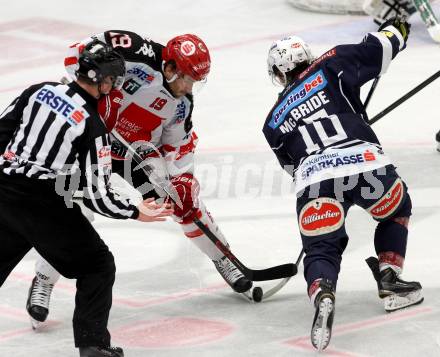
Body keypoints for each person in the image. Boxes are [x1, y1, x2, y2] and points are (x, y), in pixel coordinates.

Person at [25, 30, 253, 328]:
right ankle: (44, 279)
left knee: (180, 202)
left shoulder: (182, 105)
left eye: (195, 81)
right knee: (74, 211)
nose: (188, 87)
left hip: (138, 153)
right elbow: (76, 54)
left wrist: (183, 179)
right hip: (92, 141)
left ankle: (223, 257)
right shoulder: (135, 51)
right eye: (185, 77)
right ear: (169, 66)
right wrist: (101, 80)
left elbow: (176, 146)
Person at [0, 40, 173, 357]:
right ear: (104, 81)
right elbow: (98, 195)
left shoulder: (38, 91)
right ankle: (93, 346)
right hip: (43, 204)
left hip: (3, 189)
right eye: (112, 82)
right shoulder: (92, 126)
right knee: (97, 265)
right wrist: (136, 211)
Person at [263, 18, 423, 351]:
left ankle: (322, 290)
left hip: (314, 179)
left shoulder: (273, 120)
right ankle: (390, 276)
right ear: (307, 56)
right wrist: (398, 29)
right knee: (397, 209)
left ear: (278, 75)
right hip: (364, 166)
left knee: (321, 248)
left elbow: (292, 166)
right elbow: (381, 46)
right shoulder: (332, 62)